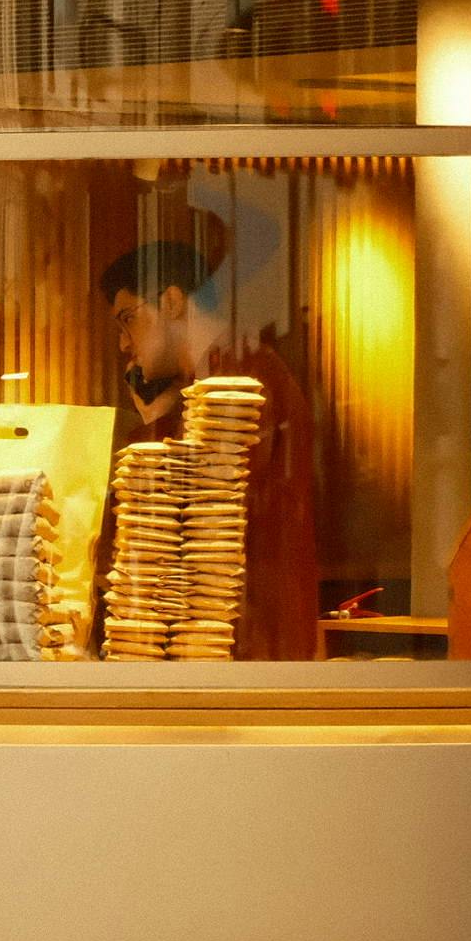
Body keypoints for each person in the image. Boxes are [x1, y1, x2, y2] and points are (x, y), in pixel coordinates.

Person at [99, 238, 324, 660]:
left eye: (128, 320)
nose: (125, 345)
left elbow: (193, 508)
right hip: (227, 630)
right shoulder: (207, 385)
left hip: (242, 634)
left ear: (171, 302)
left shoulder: (239, 382)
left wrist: (153, 429)